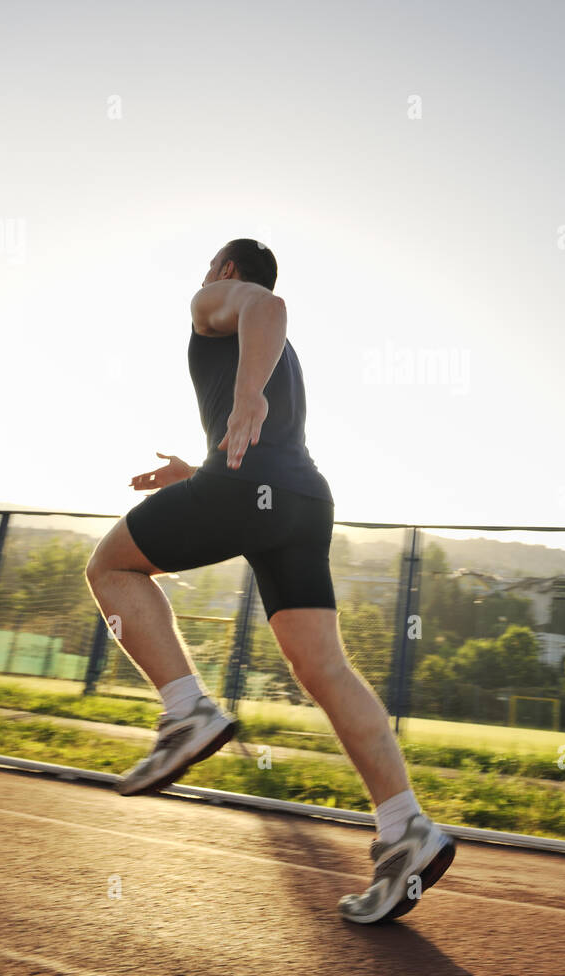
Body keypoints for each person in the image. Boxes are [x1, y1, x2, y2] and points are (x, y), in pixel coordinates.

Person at [85, 238, 455, 923]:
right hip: (302, 502)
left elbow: (269, 304)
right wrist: (196, 468)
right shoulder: (266, 344)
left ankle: (186, 710)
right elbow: (264, 374)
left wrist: (247, 396)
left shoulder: (216, 302)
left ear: (225, 270)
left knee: (109, 566)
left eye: (211, 269)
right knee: (325, 669)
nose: (206, 279)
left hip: (249, 485)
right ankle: (406, 827)